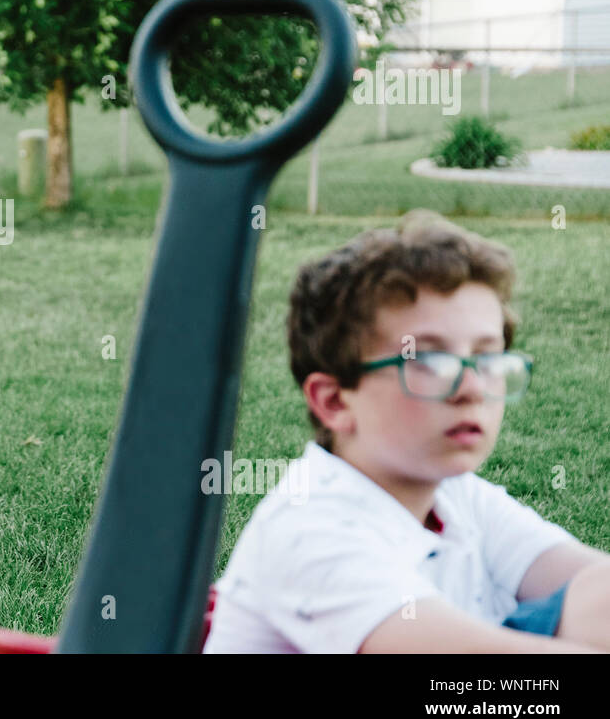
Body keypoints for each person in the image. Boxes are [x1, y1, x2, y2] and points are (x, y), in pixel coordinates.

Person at [203, 210, 610, 653]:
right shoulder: (309, 533)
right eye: (429, 362)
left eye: (487, 359)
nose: (472, 389)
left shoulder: (456, 496)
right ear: (335, 402)